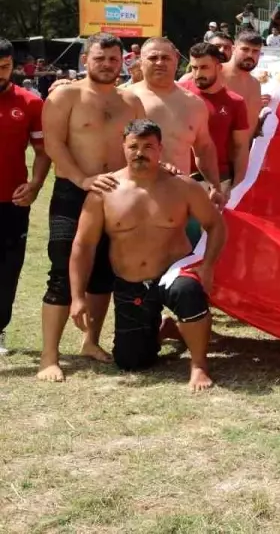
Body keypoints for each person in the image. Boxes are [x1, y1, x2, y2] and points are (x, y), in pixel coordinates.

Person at [68, 120, 226, 392]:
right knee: (132, 362)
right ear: (124, 148)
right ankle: (163, 328)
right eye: (134, 146)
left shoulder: (183, 186)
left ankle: (198, 365)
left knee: (186, 289)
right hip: (131, 281)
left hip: (174, 271)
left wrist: (208, 266)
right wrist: (78, 297)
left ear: (160, 149)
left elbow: (216, 225)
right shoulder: (104, 191)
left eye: (148, 146)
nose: (140, 152)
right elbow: (83, 245)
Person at [39, 33, 148, 380]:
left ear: (122, 62)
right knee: (61, 271)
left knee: (104, 271)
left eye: (114, 59)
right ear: (86, 59)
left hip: (115, 195)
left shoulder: (130, 101)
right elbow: (54, 145)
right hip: (73, 191)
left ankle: (91, 340)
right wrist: (83, 179)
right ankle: (49, 356)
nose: (107, 65)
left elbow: (140, 146)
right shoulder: (65, 95)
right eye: (100, 58)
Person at [0, 38, 51, 355]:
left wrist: (35, 185)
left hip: (11, 201)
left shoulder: (30, 103)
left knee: (6, 269)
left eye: (3, 68)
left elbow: (43, 152)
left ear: (13, 67)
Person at [128, 38, 224, 204]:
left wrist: (215, 186)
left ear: (176, 61)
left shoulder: (194, 104)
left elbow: (204, 149)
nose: (159, 62)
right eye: (152, 58)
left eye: (166, 58)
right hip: (133, 197)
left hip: (178, 198)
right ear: (141, 62)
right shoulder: (125, 99)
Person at [178, 43, 250, 193]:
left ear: (219, 68)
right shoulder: (179, 92)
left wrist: (237, 187)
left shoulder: (235, 102)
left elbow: (241, 148)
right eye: (194, 68)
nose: (198, 74)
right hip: (179, 177)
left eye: (204, 67)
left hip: (219, 179)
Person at [222, 32, 266, 130]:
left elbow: (250, 123)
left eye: (255, 51)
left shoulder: (255, 84)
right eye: (245, 49)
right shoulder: (215, 73)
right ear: (233, 49)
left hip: (247, 144)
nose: (250, 54)